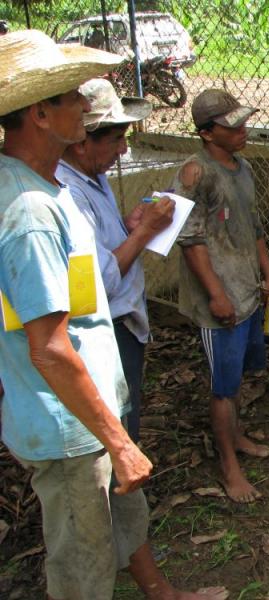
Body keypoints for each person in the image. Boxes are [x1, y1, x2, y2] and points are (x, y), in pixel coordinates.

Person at [0, 30, 226, 600]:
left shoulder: (48, 189)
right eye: (73, 94)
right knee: (82, 568)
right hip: (69, 427)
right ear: (41, 113)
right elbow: (49, 345)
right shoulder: (29, 211)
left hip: (89, 413)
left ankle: (161, 592)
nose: (85, 103)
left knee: (119, 523)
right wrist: (120, 442)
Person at [57, 78, 175, 444]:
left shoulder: (93, 175)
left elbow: (102, 246)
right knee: (116, 428)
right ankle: (120, 494)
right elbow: (98, 280)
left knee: (126, 416)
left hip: (124, 322)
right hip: (106, 326)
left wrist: (128, 227)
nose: (124, 150)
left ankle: (126, 491)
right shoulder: (68, 193)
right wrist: (142, 235)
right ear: (81, 143)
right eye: (116, 140)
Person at [173, 89, 269, 503]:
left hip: (246, 291)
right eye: (231, 126)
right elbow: (189, 239)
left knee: (235, 380)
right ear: (206, 134)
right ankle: (229, 469)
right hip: (220, 302)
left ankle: (236, 437)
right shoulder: (195, 174)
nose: (242, 130)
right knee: (221, 386)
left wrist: (268, 275)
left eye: (242, 122)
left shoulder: (242, 167)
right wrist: (217, 296)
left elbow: (253, 229)